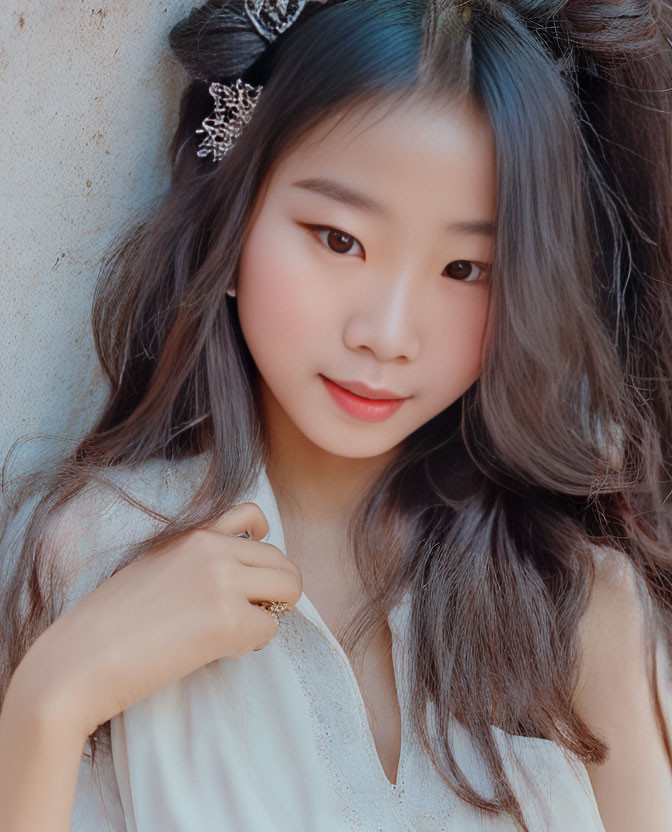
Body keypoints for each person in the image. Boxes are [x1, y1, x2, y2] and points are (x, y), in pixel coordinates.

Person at [1, 0, 671, 829]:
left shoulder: (579, 605)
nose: (386, 335)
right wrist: (50, 703)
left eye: (464, 268)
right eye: (339, 239)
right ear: (232, 220)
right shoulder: (94, 553)